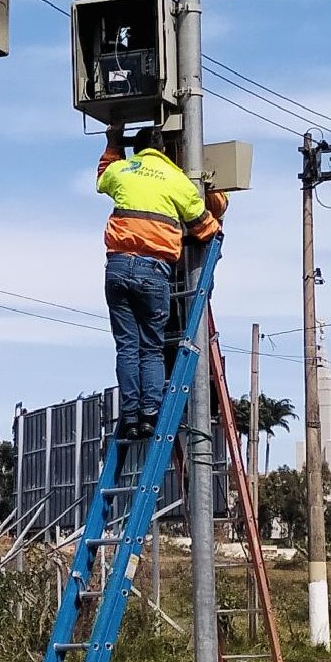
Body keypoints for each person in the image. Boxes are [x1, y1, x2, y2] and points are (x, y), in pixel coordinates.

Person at [96, 125, 225, 439]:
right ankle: (149, 416)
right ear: (164, 150)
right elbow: (203, 226)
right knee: (152, 349)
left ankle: (129, 417)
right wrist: (217, 220)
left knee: (127, 348)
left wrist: (114, 141)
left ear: (138, 150)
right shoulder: (176, 179)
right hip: (154, 271)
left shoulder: (123, 170)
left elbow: (103, 175)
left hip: (117, 267)